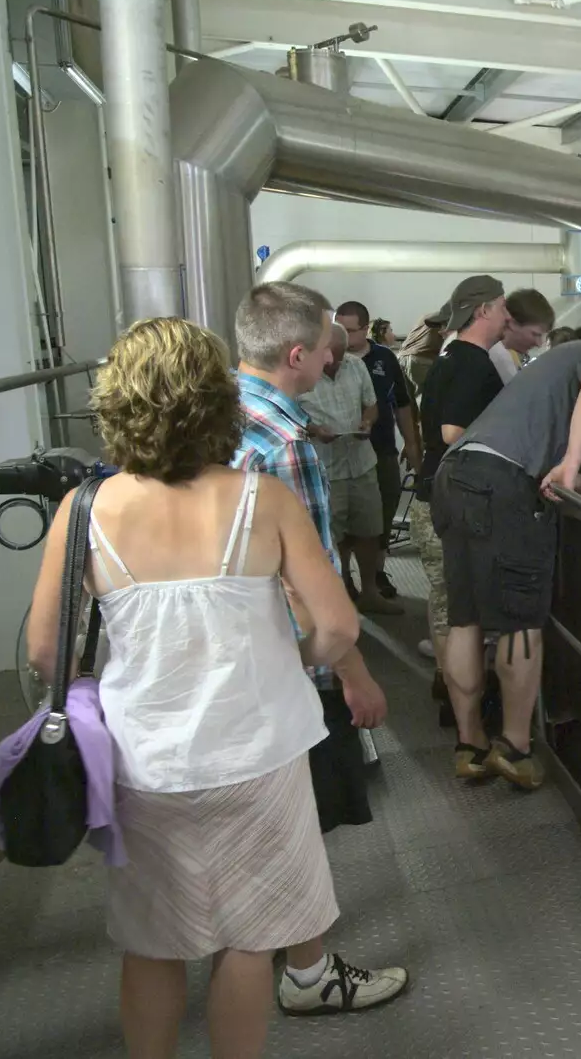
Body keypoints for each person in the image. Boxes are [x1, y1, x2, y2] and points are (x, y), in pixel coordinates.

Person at [25, 317, 361, 1058]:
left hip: (145, 760)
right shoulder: (260, 498)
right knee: (247, 939)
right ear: (217, 401)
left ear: (117, 403)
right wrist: (284, 654)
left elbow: (46, 649)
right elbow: (337, 629)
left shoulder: (82, 511)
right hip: (260, 755)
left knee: (154, 940)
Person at [231, 282, 408, 1015]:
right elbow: (311, 577)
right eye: (326, 347)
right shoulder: (285, 440)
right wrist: (352, 671)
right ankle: (306, 968)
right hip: (285, 654)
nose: (334, 357)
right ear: (298, 354)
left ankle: (269, 944)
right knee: (296, 816)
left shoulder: (214, 417)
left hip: (228, 655)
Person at [432, 327, 581, 789]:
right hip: (498, 487)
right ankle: (515, 746)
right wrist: (576, 466)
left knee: (466, 618)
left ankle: (470, 745)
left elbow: (537, 464)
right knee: (521, 625)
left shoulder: (536, 385)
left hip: (453, 477)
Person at [410, 278, 555, 727]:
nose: (506, 316)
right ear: (484, 311)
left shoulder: (453, 354)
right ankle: (463, 713)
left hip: (437, 491)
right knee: (462, 616)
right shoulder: (473, 363)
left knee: (455, 610)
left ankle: (457, 704)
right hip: (454, 498)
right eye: (500, 308)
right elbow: (455, 432)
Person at [299, 322, 400, 615]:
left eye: (342, 354)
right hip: (325, 469)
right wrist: (315, 429)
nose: (336, 361)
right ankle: (342, 589)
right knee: (334, 536)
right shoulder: (303, 371)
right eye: (332, 354)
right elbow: (289, 415)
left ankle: (370, 592)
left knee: (369, 530)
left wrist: (367, 422)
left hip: (361, 463)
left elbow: (371, 404)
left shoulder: (356, 366)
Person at [337, 300, 420, 601]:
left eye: (350, 331)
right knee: (343, 521)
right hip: (340, 454)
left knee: (381, 516)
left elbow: (402, 403)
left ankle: (376, 574)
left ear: (365, 328)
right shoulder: (328, 359)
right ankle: (344, 578)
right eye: (339, 329)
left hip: (381, 448)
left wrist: (411, 444)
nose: (343, 338)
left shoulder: (384, 358)